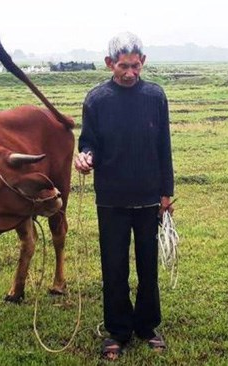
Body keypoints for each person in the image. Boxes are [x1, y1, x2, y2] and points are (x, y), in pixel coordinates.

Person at [74, 31, 174, 361]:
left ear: (143, 63)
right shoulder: (96, 100)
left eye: (135, 66)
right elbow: (88, 143)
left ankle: (147, 326)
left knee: (148, 267)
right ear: (109, 64)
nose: (129, 73)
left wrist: (166, 193)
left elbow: (164, 148)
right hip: (111, 199)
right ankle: (117, 330)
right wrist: (85, 157)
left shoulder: (156, 97)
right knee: (113, 267)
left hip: (148, 198)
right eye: (122, 66)